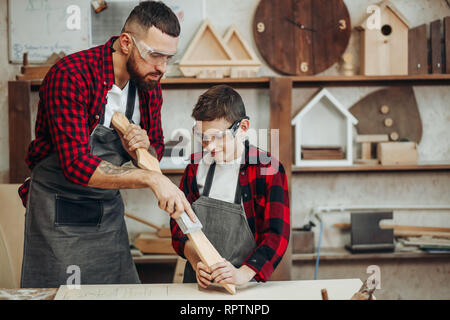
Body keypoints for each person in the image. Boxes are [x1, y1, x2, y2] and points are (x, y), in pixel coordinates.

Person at [18, 1, 195, 288]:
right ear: (126, 43)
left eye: (168, 58)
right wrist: (151, 179)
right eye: (155, 55)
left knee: (116, 291)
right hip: (59, 207)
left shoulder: (148, 81)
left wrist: (142, 148)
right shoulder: (70, 75)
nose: (162, 68)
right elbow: (76, 165)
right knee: (63, 294)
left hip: (106, 209)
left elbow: (155, 149)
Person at [170, 85, 290, 287]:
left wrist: (242, 274)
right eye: (204, 138)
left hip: (246, 284)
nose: (210, 147)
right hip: (200, 284)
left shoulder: (268, 169)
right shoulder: (194, 167)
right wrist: (197, 261)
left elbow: (276, 236)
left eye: (218, 137)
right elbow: (179, 228)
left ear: (242, 127)